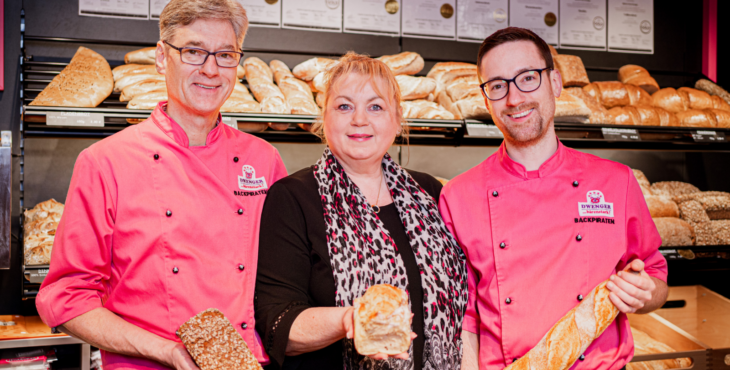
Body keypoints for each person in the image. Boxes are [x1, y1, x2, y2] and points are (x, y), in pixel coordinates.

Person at [35, 1, 287, 369]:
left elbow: (282, 281)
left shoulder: (264, 160)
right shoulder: (106, 162)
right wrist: (166, 351)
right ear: (160, 57)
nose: (211, 70)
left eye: (226, 54)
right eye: (194, 51)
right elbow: (68, 296)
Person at [439, 27, 669, 370]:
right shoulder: (458, 196)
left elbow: (655, 276)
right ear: (486, 99)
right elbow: (464, 318)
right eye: (498, 86)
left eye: (528, 78)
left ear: (556, 83)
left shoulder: (615, 182)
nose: (515, 99)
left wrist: (644, 291)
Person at [255, 53, 468, 370]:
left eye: (375, 107)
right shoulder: (293, 197)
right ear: (324, 117)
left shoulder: (432, 192)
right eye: (344, 106)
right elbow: (278, 324)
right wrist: (351, 319)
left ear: (396, 119)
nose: (359, 119)